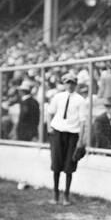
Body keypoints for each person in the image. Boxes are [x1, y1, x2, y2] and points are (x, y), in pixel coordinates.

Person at [47, 72, 87, 205]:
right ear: (64, 84)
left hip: (72, 134)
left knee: (69, 165)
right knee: (56, 164)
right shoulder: (58, 97)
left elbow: (82, 121)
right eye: (68, 82)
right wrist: (49, 127)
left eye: (73, 83)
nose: (70, 85)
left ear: (76, 84)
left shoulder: (80, 100)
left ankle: (66, 196)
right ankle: (55, 195)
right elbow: (50, 112)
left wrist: (81, 139)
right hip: (58, 132)